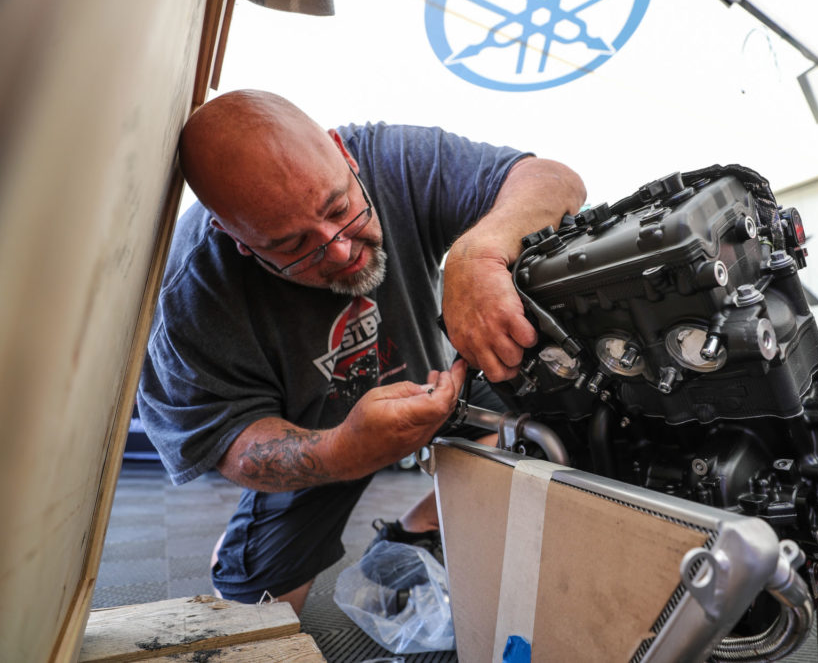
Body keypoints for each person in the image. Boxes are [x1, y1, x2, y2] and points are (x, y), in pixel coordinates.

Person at [137, 89, 586, 615]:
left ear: (343, 155)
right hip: (318, 433)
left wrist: (480, 250)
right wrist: (343, 450)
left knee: (565, 400)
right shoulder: (191, 295)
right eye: (291, 245)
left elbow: (555, 181)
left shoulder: (389, 158)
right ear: (235, 238)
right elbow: (229, 441)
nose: (341, 251)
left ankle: (419, 527)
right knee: (260, 610)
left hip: (437, 379)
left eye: (339, 209)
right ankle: (241, 559)